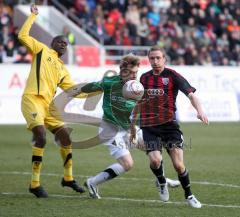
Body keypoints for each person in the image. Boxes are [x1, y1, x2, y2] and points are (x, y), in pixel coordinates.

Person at [79, 54, 180, 199]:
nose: (134, 76)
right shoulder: (109, 83)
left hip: (128, 128)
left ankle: (161, 180)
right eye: (131, 72)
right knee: (127, 164)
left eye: (136, 72)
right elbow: (88, 88)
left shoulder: (138, 87)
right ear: (122, 71)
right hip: (110, 130)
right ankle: (92, 183)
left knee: (153, 148)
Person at [18, 4, 85, 198]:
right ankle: (34, 183)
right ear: (52, 43)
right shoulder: (41, 50)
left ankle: (68, 178)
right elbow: (22, 36)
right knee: (40, 135)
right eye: (60, 42)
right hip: (32, 100)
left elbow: (74, 91)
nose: (64, 45)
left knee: (65, 137)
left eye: (66, 43)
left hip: (48, 106)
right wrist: (33, 16)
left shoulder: (63, 69)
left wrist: (97, 89)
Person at [130, 46, 209, 208]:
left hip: (169, 126)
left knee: (179, 166)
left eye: (158, 58)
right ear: (149, 59)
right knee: (155, 160)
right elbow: (139, 102)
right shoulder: (144, 78)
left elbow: (191, 95)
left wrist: (200, 110)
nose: (155, 61)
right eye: (152, 58)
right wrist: (132, 125)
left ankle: (189, 195)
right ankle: (161, 182)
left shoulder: (172, 76)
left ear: (164, 59)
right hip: (149, 125)